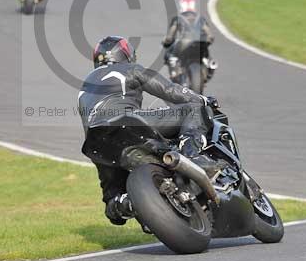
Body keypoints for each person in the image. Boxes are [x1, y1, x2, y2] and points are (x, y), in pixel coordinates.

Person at [78, 36, 212, 226]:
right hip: (128, 123)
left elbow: (88, 124)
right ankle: (193, 154)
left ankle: (124, 204)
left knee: (112, 199)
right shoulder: (129, 69)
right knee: (194, 109)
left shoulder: (84, 88)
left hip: (97, 143)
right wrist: (200, 99)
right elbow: (170, 90)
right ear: (126, 54)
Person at [162, 0, 217, 83]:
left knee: (169, 54)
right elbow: (210, 35)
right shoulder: (200, 18)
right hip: (201, 43)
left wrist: (166, 43)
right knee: (207, 58)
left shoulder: (178, 18)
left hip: (183, 43)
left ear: (181, 7)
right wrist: (208, 42)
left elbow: (169, 37)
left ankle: (174, 72)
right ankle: (210, 66)